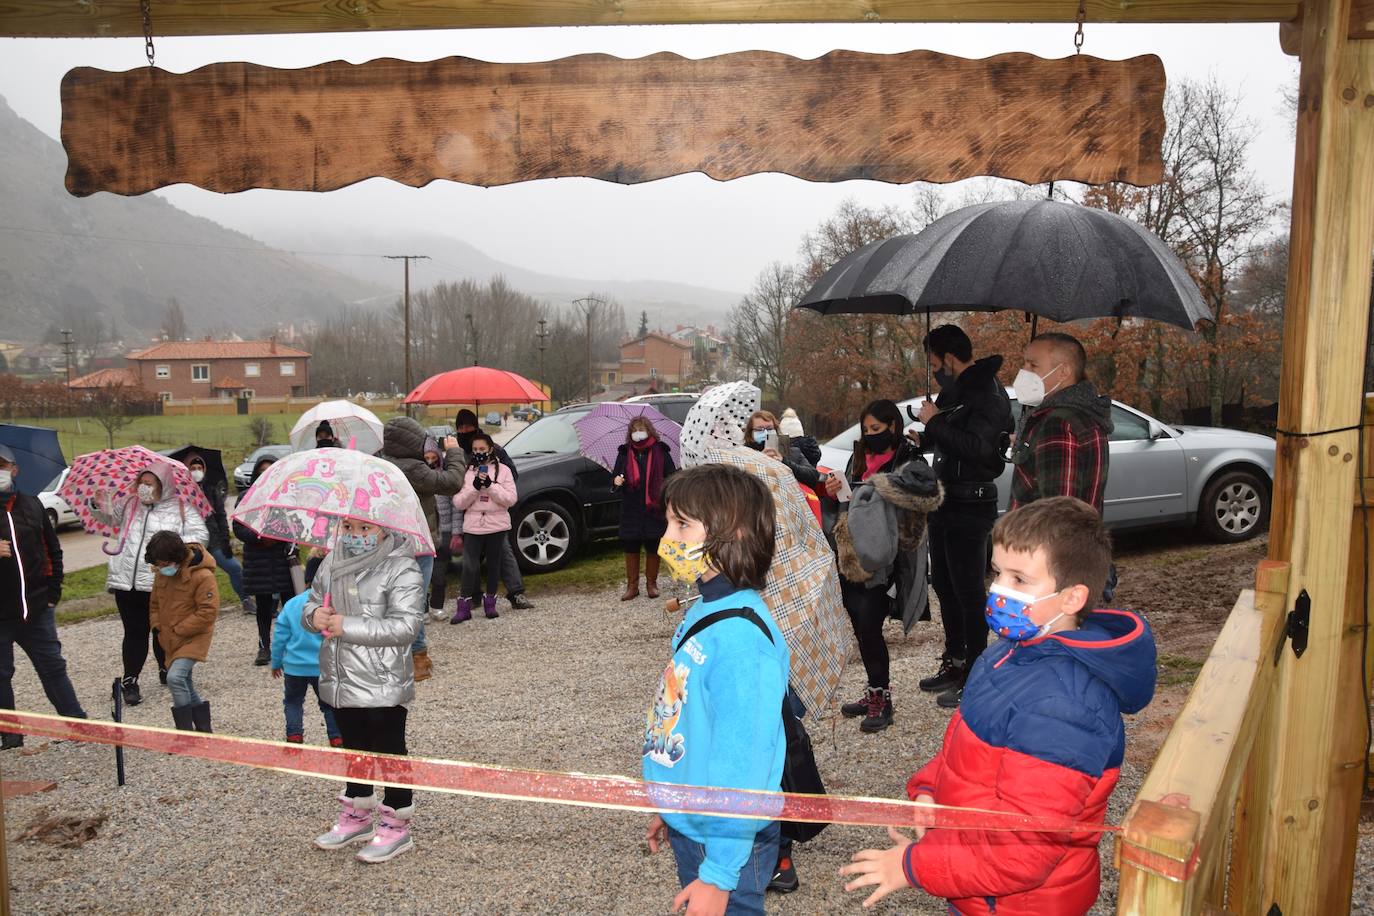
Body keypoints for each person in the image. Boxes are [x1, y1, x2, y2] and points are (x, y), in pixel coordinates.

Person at [839, 497, 1155, 915]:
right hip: (977, 888)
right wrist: (930, 790)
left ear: (1072, 597)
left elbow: (1023, 852)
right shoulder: (1009, 653)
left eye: (1020, 580)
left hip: (1019, 904)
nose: (999, 589)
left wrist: (912, 866)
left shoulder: (1064, 704)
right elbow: (968, 753)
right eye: (998, 572)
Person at [642, 465, 789, 916]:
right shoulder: (707, 607)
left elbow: (743, 762)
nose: (668, 537)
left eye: (682, 524)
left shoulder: (743, 641)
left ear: (734, 533)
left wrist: (721, 874)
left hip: (726, 842)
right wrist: (670, 805)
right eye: (669, 522)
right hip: (699, 824)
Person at [304, 517, 424, 863]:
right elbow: (310, 602)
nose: (355, 536)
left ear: (385, 529)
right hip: (340, 676)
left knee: (389, 750)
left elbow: (406, 626)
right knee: (353, 748)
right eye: (348, 528)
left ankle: (397, 823)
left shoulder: (401, 567)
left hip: (383, 679)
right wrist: (316, 617)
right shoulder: (332, 560)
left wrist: (346, 625)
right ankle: (357, 813)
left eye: (364, 529)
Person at [914, 325, 1015, 709]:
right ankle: (955, 660)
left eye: (934, 363)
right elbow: (949, 436)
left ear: (950, 359)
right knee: (943, 584)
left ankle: (976, 669)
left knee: (969, 592)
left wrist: (936, 422)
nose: (934, 370)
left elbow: (978, 448)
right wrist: (924, 436)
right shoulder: (955, 390)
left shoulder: (988, 393)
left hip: (971, 506)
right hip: (945, 501)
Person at [823, 399, 930, 733]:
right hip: (852, 554)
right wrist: (835, 491)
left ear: (893, 427)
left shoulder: (907, 458)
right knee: (860, 627)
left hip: (885, 560)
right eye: (866, 430)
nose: (870, 436)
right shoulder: (859, 457)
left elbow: (921, 501)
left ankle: (882, 698)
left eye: (876, 429)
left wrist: (876, 493)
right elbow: (849, 506)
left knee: (870, 627)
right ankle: (873, 690)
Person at [98, 462, 209, 707]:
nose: (143, 488)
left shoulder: (181, 508)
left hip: (160, 581)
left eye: (149, 484)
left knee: (162, 629)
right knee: (135, 632)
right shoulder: (128, 504)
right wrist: (99, 506)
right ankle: (130, 680)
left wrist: (177, 554)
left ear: (163, 484)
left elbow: (200, 538)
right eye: (141, 483)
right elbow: (109, 519)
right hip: (126, 581)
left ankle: (166, 668)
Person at [0, 446, 86, 750]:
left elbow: (53, 551)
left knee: (53, 667)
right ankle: (10, 735)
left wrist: (53, 593)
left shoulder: (33, 505)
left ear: (15, 470)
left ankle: (79, 725)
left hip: (37, 608)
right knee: (1, 674)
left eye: (4, 466)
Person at [380, 417, 466, 681]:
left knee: (391, 602)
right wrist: (454, 451)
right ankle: (418, 658)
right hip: (416, 545)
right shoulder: (414, 469)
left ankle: (394, 657)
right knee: (414, 603)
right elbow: (452, 482)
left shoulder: (382, 465)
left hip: (387, 546)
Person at [1010, 332, 1113, 513]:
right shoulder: (1086, 413)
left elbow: (1060, 514)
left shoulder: (1058, 424)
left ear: (1063, 372)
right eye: (1024, 363)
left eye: (1033, 365)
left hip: (1038, 539)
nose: (1024, 372)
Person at [453, 410, 535, 611]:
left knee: (503, 554)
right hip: (470, 513)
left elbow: (511, 476)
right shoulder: (457, 452)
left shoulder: (495, 450)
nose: (464, 430)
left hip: (495, 512)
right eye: (460, 427)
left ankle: (516, 593)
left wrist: (492, 486)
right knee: (470, 558)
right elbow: (453, 482)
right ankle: (473, 595)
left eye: (468, 426)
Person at [145, 530, 219, 732]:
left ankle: (185, 733)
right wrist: (158, 626)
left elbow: (208, 611)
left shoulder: (203, 576)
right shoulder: (162, 574)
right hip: (170, 638)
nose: (160, 568)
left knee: (174, 678)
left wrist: (179, 629)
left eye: (162, 563)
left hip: (194, 637)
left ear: (175, 558)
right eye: (157, 565)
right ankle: (204, 730)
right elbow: (154, 605)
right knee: (185, 682)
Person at [233, 456, 297, 668]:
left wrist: (277, 537)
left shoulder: (287, 497)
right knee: (263, 606)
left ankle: (291, 644)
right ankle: (264, 645)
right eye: (261, 471)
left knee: (289, 604)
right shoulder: (246, 497)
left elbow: (296, 524)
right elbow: (239, 526)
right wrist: (259, 538)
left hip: (281, 558)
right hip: (258, 558)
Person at [271, 564, 342, 747]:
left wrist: (276, 662)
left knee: (293, 702)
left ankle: (294, 735)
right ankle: (336, 737)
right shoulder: (332, 606)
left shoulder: (293, 603)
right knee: (328, 705)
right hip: (323, 667)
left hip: (294, 667)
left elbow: (280, 637)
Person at [450, 432, 518, 622]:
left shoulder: (503, 470)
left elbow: (510, 499)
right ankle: (464, 606)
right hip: (474, 526)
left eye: (482, 449)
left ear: (490, 449)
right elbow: (458, 502)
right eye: (475, 450)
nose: (479, 452)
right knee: (469, 566)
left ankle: (490, 603)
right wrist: (474, 487)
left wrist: (490, 486)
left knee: (494, 564)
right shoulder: (467, 472)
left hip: (497, 525)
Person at [611, 415, 676, 600]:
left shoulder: (661, 451)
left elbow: (671, 476)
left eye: (641, 429)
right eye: (634, 430)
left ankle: (651, 584)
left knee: (653, 545)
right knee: (631, 545)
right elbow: (616, 476)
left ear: (649, 430)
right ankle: (632, 586)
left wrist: (664, 487)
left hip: (654, 508)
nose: (637, 434)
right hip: (631, 507)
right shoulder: (624, 452)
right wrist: (617, 481)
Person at [184, 452, 252, 615]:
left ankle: (246, 600)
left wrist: (225, 540)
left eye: (200, 468)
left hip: (214, 541)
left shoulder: (211, 490)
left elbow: (221, 516)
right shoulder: (182, 493)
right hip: (192, 543)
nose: (197, 471)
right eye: (193, 468)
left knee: (235, 568)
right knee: (192, 576)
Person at [424, 440, 458, 619]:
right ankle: (422, 609)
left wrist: (456, 531)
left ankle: (437, 606)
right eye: (426, 458)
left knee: (439, 573)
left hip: (443, 531)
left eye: (433, 457)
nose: (430, 461)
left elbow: (455, 507)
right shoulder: (419, 480)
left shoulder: (444, 478)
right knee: (421, 574)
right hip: (425, 533)